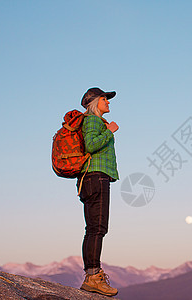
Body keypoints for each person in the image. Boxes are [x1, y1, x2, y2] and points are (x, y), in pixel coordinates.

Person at [77, 87, 119, 297]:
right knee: (97, 228)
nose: (108, 102)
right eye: (105, 99)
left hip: (95, 178)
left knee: (95, 227)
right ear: (95, 102)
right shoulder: (93, 120)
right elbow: (91, 145)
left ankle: (92, 274)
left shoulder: (96, 122)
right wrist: (109, 131)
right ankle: (93, 277)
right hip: (96, 177)